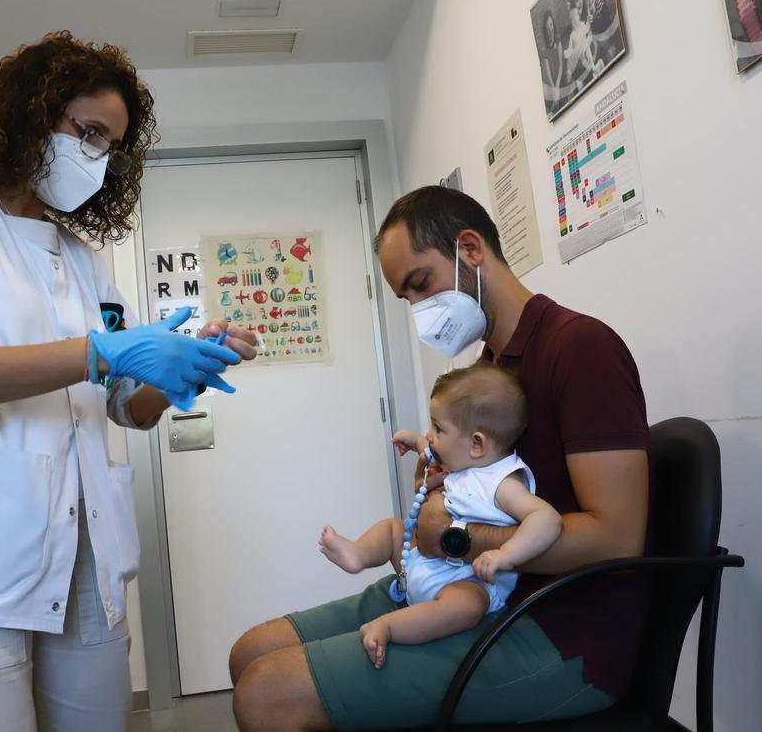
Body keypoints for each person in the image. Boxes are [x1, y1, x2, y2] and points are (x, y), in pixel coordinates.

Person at [0, 31, 256, 731]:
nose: (98, 156)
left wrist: (185, 361)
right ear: (28, 113)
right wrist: (102, 351)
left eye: (112, 145)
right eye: (89, 132)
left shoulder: (82, 258)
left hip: (82, 558)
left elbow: (124, 409)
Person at [230, 185, 649, 730]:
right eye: (406, 298)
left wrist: (452, 536)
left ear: (471, 249)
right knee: (249, 654)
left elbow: (617, 539)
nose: (419, 310)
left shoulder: (580, 348)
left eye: (421, 284)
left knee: (267, 695)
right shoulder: (490, 372)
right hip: (464, 591)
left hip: (558, 632)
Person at [318, 363, 561, 669]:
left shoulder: (503, 484)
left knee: (468, 606)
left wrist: (506, 554)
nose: (431, 436)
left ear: (477, 443)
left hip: (463, 581)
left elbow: (547, 518)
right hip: (423, 562)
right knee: (394, 529)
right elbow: (435, 452)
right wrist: (417, 442)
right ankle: (359, 554)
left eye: (438, 428)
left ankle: (389, 627)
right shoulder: (464, 463)